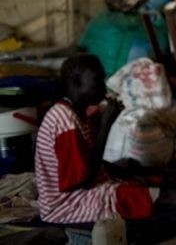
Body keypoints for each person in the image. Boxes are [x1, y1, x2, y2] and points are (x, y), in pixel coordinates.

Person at [34, 54, 156, 224]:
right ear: (76, 82)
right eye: (97, 81)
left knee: (142, 178)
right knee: (149, 199)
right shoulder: (65, 121)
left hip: (82, 191)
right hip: (65, 206)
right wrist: (106, 126)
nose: (103, 89)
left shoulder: (76, 114)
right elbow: (83, 180)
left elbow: (90, 164)